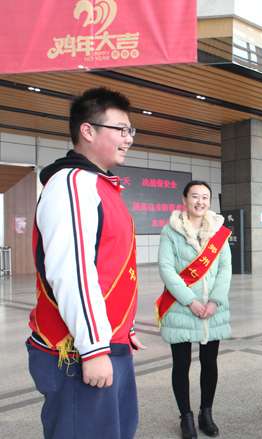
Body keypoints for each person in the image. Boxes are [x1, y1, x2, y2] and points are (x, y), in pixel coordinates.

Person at [27, 87, 144, 439]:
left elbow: (110, 267)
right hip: (77, 352)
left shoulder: (98, 184)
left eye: (130, 130)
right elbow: (72, 272)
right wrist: (93, 348)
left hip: (104, 342)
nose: (128, 138)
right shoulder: (73, 184)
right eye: (120, 129)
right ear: (88, 131)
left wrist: (123, 330)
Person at [156, 180, 232, 438]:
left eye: (205, 197)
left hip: (212, 308)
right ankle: (186, 416)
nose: (200, 202)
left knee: (210, 362)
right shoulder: (170, 231)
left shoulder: (219, 232)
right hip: (181, 306)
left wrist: (215, 301)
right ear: (184, 200)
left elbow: (225, 269)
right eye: (195, 196)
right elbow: (166, 268)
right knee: (181, 364)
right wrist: (190, 300)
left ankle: (206, 413)